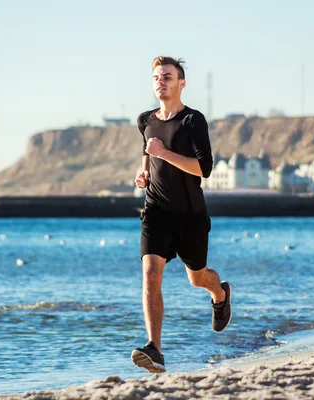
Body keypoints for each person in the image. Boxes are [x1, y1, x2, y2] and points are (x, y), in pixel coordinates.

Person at [131, 56, 232, 374]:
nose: (161, 81)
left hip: (190, 216)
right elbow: (148, 152)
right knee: (150, 273)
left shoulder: (193, 121)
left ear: (181, 83)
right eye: (157, 77)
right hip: (156, 212)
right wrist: (144, 170)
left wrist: (164, 154)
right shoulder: (145, 120)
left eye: (168, 77)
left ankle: (220, 293)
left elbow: (204, 169)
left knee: (197, 278)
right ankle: (155, 350)